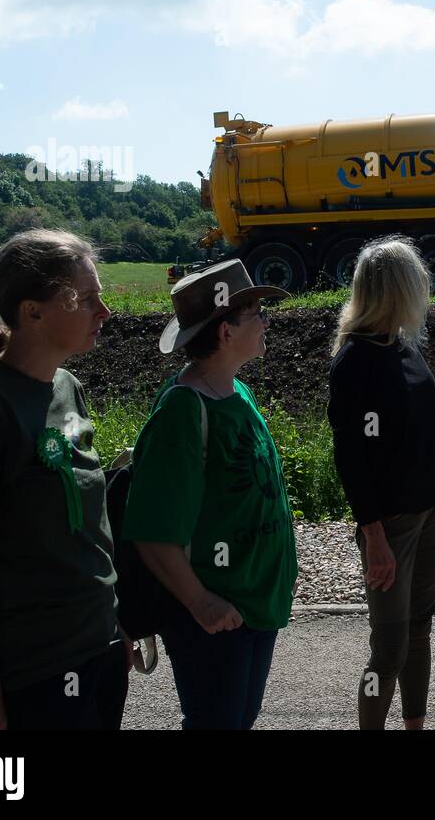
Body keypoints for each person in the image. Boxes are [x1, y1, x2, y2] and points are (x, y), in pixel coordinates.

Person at [0, 228, 126, 730]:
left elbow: (88, 522)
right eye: (85, 299)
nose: (103, 312)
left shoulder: (67, 387)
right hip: (34, 670)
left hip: (98, 650)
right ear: (32, 312)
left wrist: (117, 624)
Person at [123, 259, 298, 730]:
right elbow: (153, 530)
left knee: (236, 722)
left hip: (255, 605)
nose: (266, 322)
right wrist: (201, 602)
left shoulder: (237, 391)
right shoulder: (184, 410)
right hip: (216, 615)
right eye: (256, 314)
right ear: (224, 331)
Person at [327, 235, 435, 730]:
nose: (423, 293)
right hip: (392, 523)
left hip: (431, 511)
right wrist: (373, 534)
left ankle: (414, 725)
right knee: (388, 647)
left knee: (419, 628)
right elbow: (351, 457)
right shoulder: (356, 361)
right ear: (396, 291)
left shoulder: (403, 347)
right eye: (416, 284)